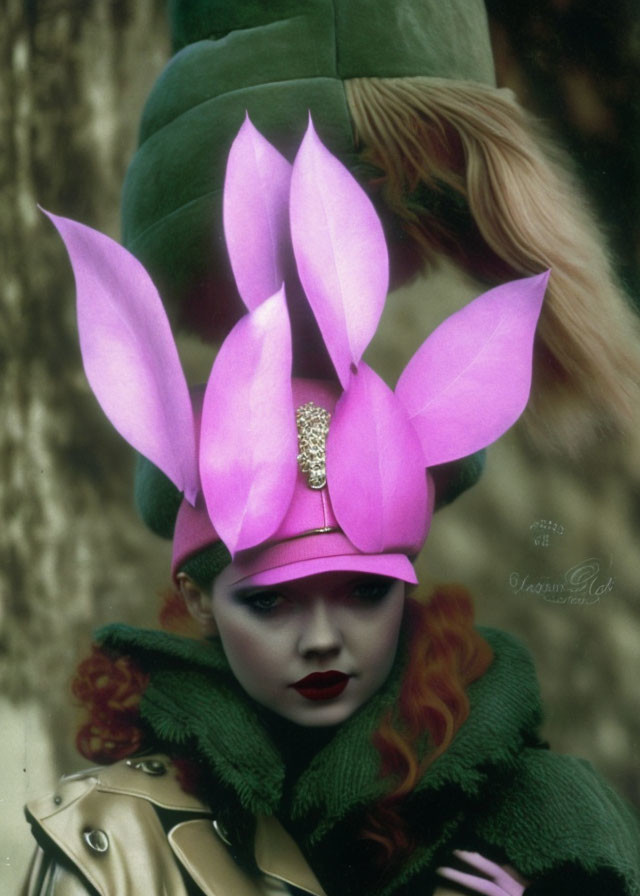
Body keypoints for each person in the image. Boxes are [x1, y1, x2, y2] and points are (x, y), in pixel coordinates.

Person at [22, 118, 640, 896]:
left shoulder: (537, 818)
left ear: (408, 585)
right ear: (197, 600)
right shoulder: (114, 843)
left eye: (363, 592)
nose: (322, 641)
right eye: (271, 602)